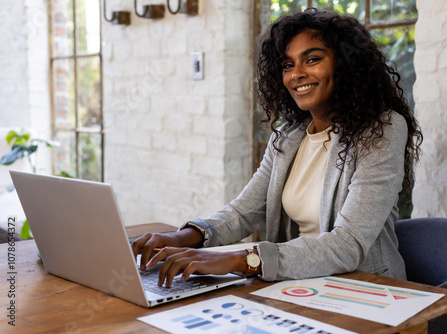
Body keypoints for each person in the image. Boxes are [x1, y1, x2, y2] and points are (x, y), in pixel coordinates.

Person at [132, 8, 423, 288]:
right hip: (299, 283)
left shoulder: (381, 130)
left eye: (312, 60)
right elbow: (245, 211)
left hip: (366, 289)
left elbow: (347, 244)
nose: (296, 74)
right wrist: (183, 238)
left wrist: (244, 259)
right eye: (287, 65)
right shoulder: (288, 136)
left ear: (345, 64)